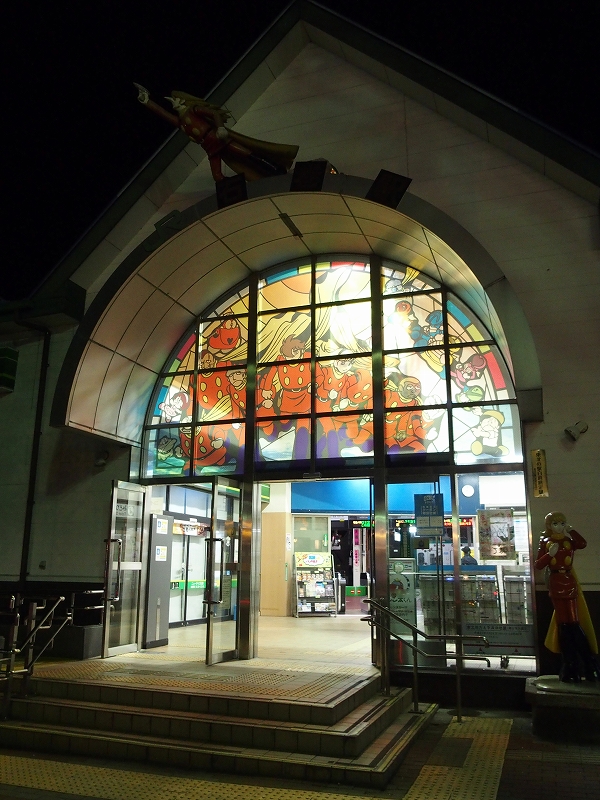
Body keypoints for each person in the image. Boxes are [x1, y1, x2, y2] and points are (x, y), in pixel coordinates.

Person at [135, 85, 298, 183]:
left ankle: (277, 170)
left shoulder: (193, 110)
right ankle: (240, 188)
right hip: (210, 148)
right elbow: (163, 113)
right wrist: (147, 101)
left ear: (182, 100)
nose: (173, 103)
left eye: (175, 100)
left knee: (249, 155)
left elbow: (214, 114)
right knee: (218, 176)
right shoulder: (182, 121)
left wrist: (220, 128)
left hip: (219, 140)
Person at [534, 512, 600, 682]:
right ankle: (573, 666)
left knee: (572, 623)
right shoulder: (546, 542)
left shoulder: (569, 541)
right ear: (549, 525)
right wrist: (550, 554)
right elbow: (539, 564)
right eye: (555, 524)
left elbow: (582, 543)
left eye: (562, 523)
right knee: (564, 624)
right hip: (556, 582)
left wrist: (572, 531)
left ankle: (584, 664)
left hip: (569, 581)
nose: (559, 527)